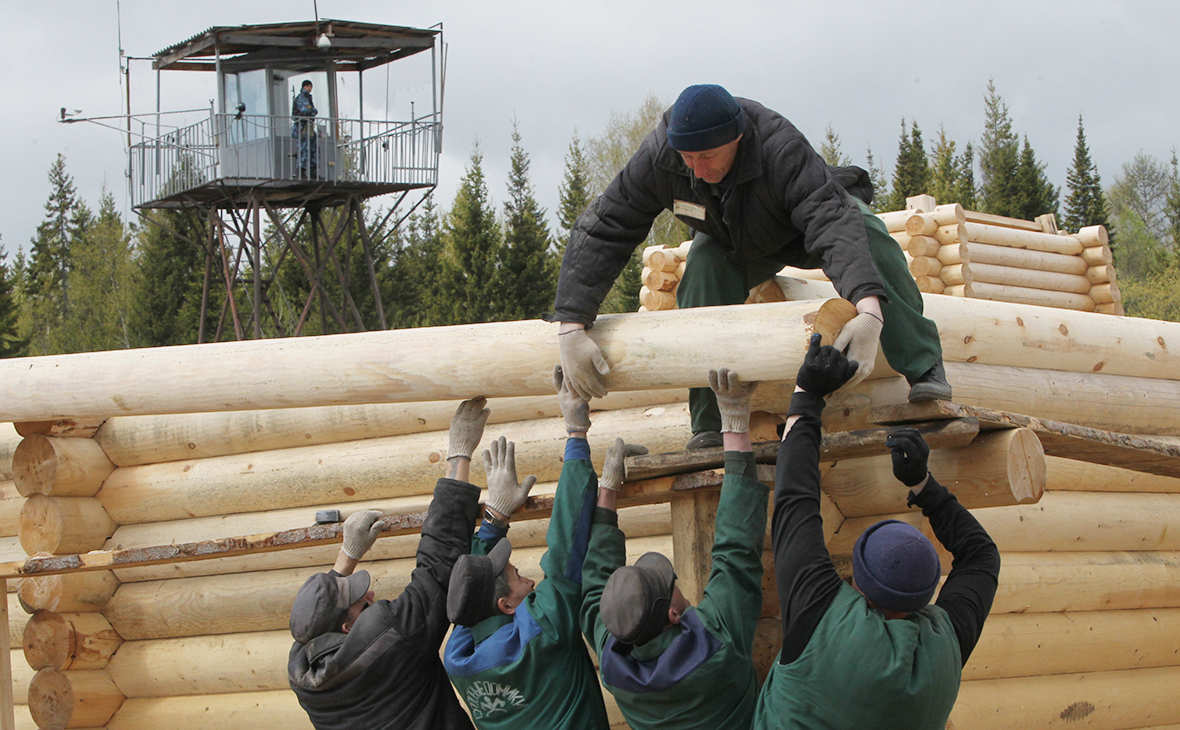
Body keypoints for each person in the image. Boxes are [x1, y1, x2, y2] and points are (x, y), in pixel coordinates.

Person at [548, 83, 950, 450]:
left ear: (737, 138)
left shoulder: (779, 145)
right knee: (702, 266)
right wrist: (571, 324)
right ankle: (707, 423)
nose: (697, 169)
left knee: (866, 231)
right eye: (688, 158)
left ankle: (924, 366)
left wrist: (869, 311)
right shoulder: (660, 157)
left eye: (708, 156)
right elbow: (606, 226)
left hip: (800, 227)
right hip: (734, 239)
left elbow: (830, 221)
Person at [752, 334, 1001, 729]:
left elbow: (794, 500)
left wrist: (808, 393)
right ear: (926, 592)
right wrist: (923, 485)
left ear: (858, 576)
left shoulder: (823, 615)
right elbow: (981, 555)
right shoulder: (946, 642)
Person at [444, 367, 636, 729]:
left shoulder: (459, 659)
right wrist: (576, 433)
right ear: (505, 605)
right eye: (517, 578)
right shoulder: (542, 630)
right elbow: (568, 540)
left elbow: (469, 592)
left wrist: (495, 516)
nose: (531, 581)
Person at [581, 367, 769, 730]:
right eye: (670, 584)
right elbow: (736, 552)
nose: (675, 580)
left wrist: (607, 489)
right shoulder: (717, 646)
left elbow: (592, 592)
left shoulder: (613, 659)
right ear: (673, 616)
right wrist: (733, 420)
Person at [287, 398, 492, 730]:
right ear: (348, 629)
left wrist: (347, 556)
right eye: (359, 600)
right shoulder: (387, 638)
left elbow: (308, 624)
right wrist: (459, 456)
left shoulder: (303, 674)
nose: (370, 596)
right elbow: (437, 568)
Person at [292, 79, 318, 179]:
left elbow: (312, 110)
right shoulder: (302, 98)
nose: (310, 89)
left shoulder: (307, 98)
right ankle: (301, 171)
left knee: (313, 148)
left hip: (308, 126)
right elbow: (307, 110)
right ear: (305, 87)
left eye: (311, 87)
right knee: (303, 148)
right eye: (309, 86)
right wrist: (312, 110)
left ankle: (312, 170)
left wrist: (312, 110)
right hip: (302, 127)